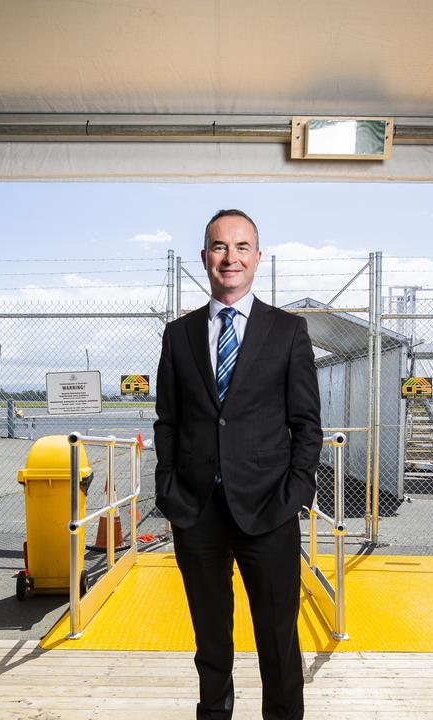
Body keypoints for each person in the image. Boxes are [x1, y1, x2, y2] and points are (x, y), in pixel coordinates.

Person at [153, 209, 322, 719]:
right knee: (210, 638)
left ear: (258, 258)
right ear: (205, 258)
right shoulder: (178, 335)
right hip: (197, 510)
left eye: (242, 247)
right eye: (220, 247)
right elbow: (168, 421)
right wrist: (169, 488)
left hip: (268, 511)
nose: (231, 258)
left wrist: (294, 493)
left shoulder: (288, 331)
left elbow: (306, 425)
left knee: (277, 638)